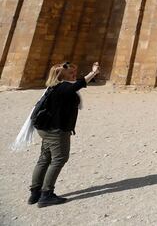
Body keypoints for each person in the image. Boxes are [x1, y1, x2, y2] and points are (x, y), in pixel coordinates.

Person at [29, 61, 100, 207]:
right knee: (59, 159)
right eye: (70, 73)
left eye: (75, 71)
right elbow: (78, 85)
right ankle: (46, 195)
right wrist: (93, 73)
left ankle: (35, 192)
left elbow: (75, 86)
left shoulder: (53, 87)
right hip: (56, 130)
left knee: (45, 159)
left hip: (46, 128)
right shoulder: (63, 87)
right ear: (61, 75)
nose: (74, 74)